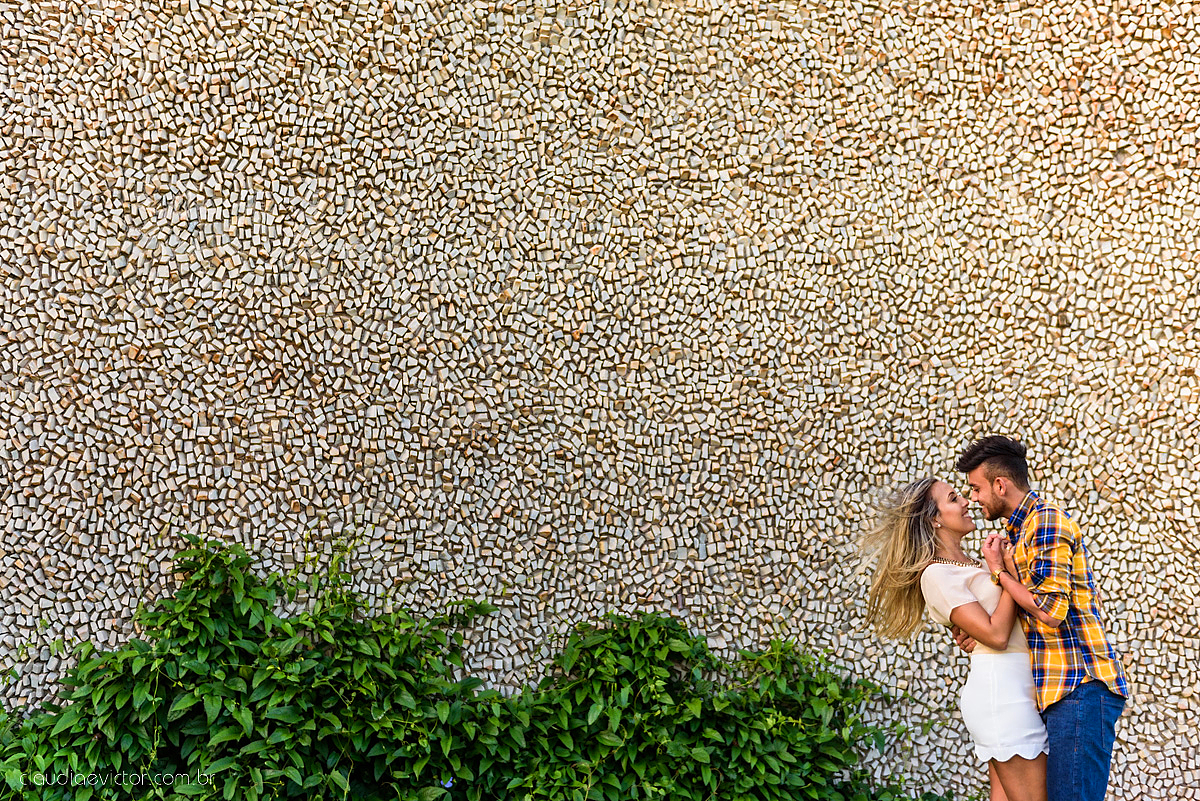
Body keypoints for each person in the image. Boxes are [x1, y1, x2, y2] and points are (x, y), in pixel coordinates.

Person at [954, 436, 1128, 801]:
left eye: (976, 488)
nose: (973, 499)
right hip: (1057, 692)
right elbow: (1025, 611)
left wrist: (999, 572)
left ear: (1001, 484)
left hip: (1080, 685)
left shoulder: (1045, 522)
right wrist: (979, 634)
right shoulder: (1016, 533)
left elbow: (1049, 611)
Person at [864, 476, 1048, 801]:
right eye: (953, 498)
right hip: (1002, 696)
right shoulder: (937, 574)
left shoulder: (973, 564)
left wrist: (998, 571)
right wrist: (1003, 572)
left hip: (1019, 691)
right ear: (935, 519)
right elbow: (996, 635)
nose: (966, 502)